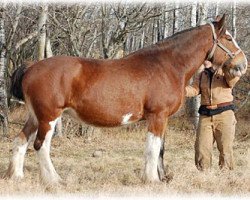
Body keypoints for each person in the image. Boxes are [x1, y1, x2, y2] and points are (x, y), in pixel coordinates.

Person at [185, 60, 240, 171]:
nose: (203, 60)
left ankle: (226, 177)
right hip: (205, 115)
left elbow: (233, 80)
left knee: (225, 148)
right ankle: (204, 176)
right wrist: (180, 89)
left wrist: (228, 67)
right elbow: (194, 90)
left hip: (225, 114)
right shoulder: (202, 75)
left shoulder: (224, 72)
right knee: (202, 148)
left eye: (207, 58)